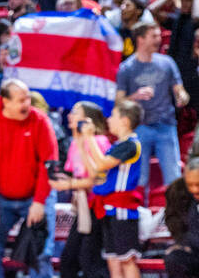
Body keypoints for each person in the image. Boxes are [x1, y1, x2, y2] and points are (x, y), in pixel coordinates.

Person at [0, 79, 58, 278]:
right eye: (21, 100)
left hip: (36, 195)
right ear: (5, 101)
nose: (27, 104)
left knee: (41, 254)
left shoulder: (40, 121)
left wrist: (39, 202)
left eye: (28, 98)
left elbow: (49, 164)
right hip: (2, 197)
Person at [116, 21, 188, 195]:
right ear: (140, 39)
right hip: (140, 127)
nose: (159, 39)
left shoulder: (167, 62)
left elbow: (180, 91)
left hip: (166, 125)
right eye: (154, 36)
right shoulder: (126, 68)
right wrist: (136, 96)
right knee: (139, 179)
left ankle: (177, 219)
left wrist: (182, 97)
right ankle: (140, 218)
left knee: (174, 178)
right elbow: (119, 101)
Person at [79, 100, 146, 278]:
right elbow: (94, 170)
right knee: (113, 260)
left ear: (124, 120)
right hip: (108, 208)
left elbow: (101, 164)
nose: (108, 120)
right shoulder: (117, 146)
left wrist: (89, 137)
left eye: (113, 116)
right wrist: (82, 144)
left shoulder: (131, 144)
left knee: (127, 260)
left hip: (123, 208)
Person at [50, 101, 111, 278]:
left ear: (88, 120)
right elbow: (78, 176)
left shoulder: (99, 141)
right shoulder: (75, 143)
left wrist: (68, 184)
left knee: (88, 260)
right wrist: (63, 180)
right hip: (83, 207)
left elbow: (98, 180)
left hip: (99, 207)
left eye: (75, 113)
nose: (70, 116)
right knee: (69, 260)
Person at [163, 156, 199, 278]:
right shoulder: (178, 193)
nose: (194, 189)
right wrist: (184, 242)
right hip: (193, 249)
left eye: (198, 184)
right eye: (190, 185)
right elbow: (173, 222)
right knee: (174, 258)